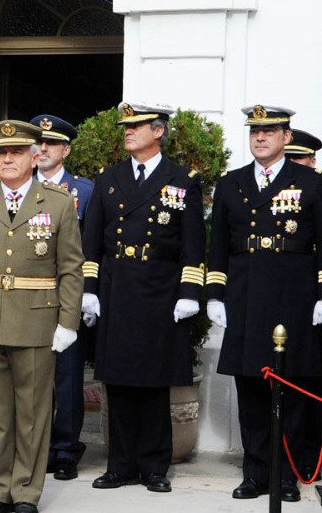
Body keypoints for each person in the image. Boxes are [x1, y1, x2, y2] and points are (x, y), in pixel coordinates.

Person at [0, 120, 83, 513]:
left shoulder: (58, 202)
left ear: (34, 156)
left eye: (17, 152)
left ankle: (25, 492)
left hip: (38, 321)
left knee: (32, 414)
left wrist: (68, 323)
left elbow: (71, 268)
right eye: (1, 152)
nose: (7, 158)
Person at [81, 102, 204, 494]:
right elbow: (92, 243)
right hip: (117, 291)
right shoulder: (109, 178)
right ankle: (120, 465)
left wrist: (189, 292)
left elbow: (193, 245)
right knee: (116, 381)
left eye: (136, 126)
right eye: (125, 126)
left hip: (161, 293)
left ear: (159, 131)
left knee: (154, 382)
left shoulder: (182, 179)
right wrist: (89, 291)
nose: (127, 131)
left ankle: (153, 466)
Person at [207, 105, 320, 503]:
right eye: (255, 131)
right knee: (250, 386)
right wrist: (214, 295)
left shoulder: (309, 181)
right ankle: (255, 473)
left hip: (293, 295)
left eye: (270, 131)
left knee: (290, 387)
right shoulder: (231, 183)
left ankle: (285, 474)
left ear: (286, 137)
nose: (260, 138)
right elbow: (217, 243)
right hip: (245, 294)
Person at [29, 114, 95, 481]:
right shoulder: (19, 186)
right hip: (27, 297)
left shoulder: (83, 191)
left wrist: (88, 295)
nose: (42, 148)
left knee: (67, 380)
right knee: (31, 379)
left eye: (51, 143)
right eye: (38, 141)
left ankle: (67, 449)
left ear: (66, 150)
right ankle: (36, 448)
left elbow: (91, 247)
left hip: (66, 296)